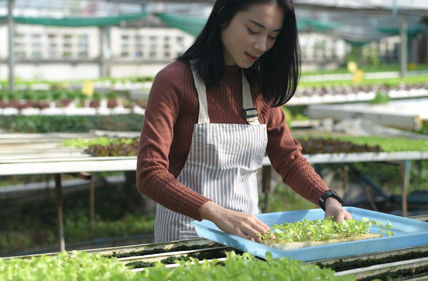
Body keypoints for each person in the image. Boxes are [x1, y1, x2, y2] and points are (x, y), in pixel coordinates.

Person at [136, 0, 351, 243]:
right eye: (253, 30)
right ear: (222, 16)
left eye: (272, 37)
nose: (262, 45)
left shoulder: (259, 88)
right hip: (186, 237)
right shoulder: (174, 81)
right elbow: (150, 173)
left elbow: (289, 160)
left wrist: (328, 198)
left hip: (250, 238)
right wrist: (215, 213)